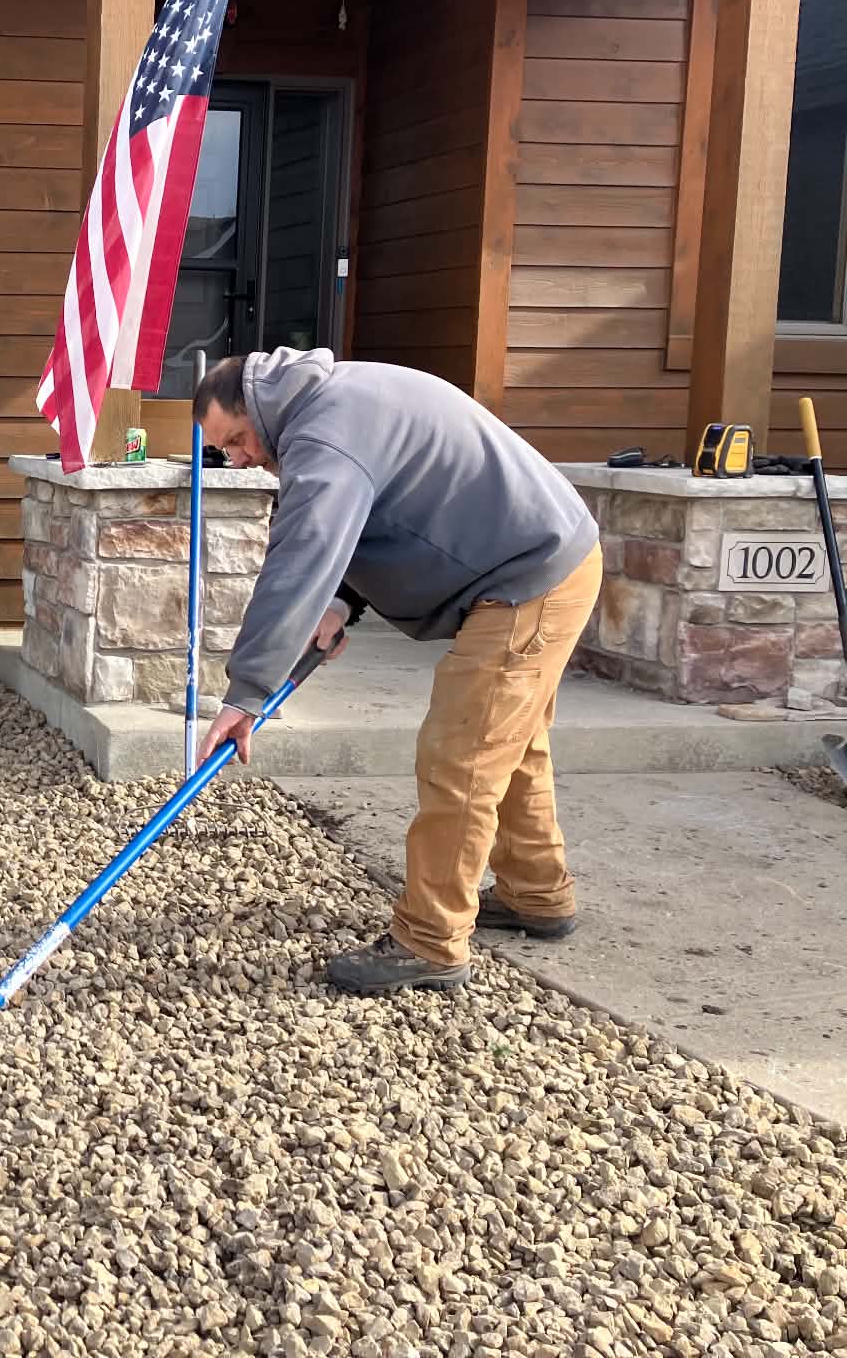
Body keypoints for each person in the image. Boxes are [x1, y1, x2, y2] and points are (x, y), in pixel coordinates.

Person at [193, 349, 602, 996]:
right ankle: (536, 894)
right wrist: (340, 603)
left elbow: (303, 553)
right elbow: (384, 510)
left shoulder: (324, 432)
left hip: (530, 573)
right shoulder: (329, 403)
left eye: (237, 440)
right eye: (224, 451)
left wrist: (248, 692)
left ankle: (431, 942)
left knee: (461, 754)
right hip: (541, 558)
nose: (238, 458)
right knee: (507, 741)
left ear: (258, 410)